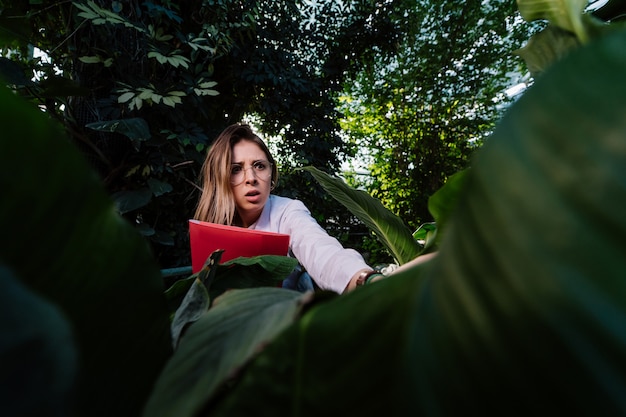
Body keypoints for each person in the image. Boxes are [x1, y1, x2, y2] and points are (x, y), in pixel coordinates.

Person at [194, 123, 383, 294]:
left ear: (272, 173)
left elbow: (323, 252)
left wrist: (366, 279)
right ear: (219, 178)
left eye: (259, 166)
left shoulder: (288, 211)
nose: (251, 177)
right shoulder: (209, 226)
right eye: (236, 169)